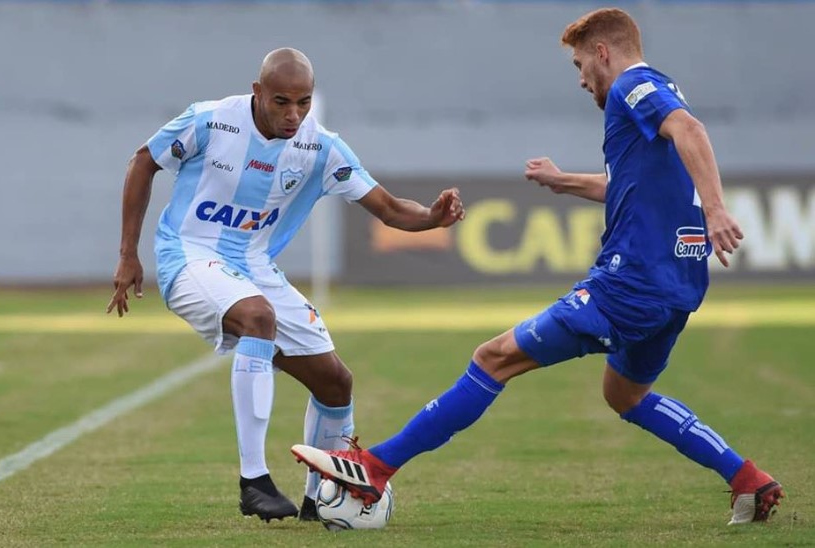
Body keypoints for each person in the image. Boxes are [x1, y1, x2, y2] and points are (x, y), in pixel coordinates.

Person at [291, 8, 784, 526]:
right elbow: (632, 184)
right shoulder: (649, 105)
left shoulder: (632, 86)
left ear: (602, 52)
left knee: (493, 358)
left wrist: (716, 208)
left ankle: (374, 469)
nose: (580, 80)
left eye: (579, 64)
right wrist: (564, 180)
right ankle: (747, 479)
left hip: (628, 284)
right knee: (626, 394)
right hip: (677, 285)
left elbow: (690, 130)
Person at [106, 47, 465, 523]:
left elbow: (390, 208)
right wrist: (129, 253)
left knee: (335, 382)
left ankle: (322, 500)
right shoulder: (210, 121)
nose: (294, 115)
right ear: (257, 93)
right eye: (281, 102)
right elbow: (142, 162)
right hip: (189, 254)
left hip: (253, 266)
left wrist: (432, 218)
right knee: (258, 318)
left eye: (304, 102)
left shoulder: (321, 146)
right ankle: (253, 480)